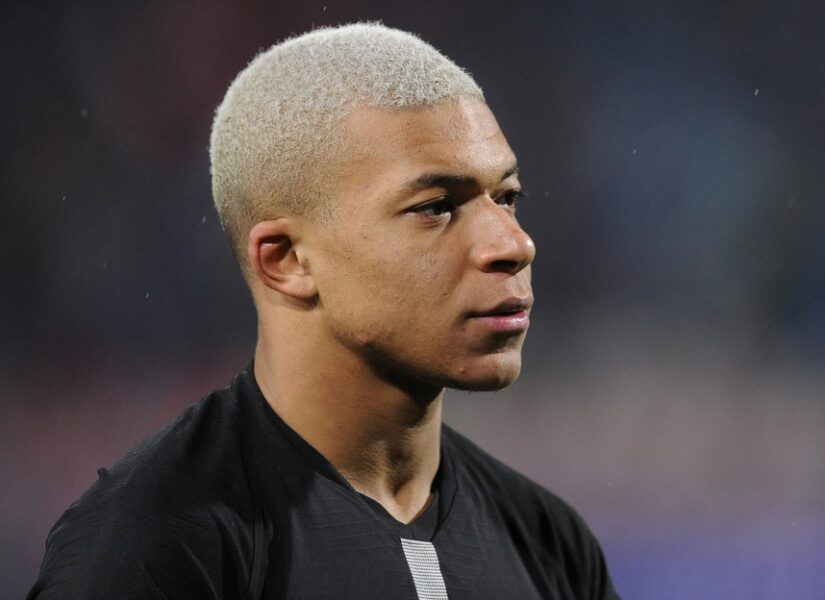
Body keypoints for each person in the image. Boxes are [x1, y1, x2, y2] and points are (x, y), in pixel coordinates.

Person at [28, 23, 619, 599]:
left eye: (506, 197)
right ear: (286, 260)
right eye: (436, 206)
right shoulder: (157, 544)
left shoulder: (549, 543)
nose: (514, 244)